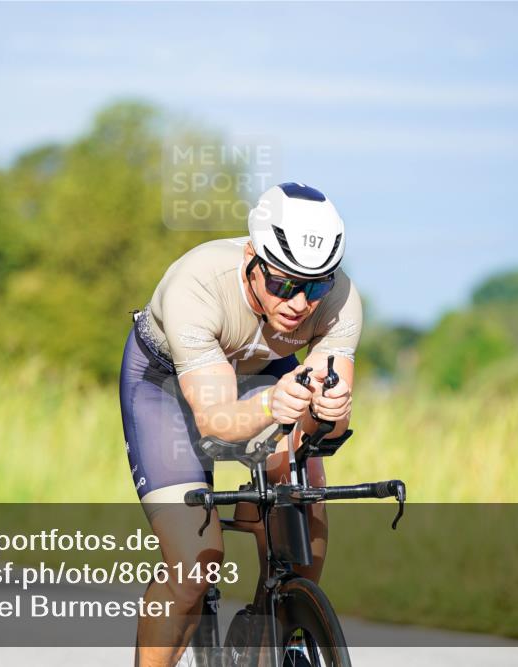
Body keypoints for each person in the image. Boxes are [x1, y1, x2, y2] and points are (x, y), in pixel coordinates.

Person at [119, 182, 363, 666]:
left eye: (314, 286)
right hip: (165, 386)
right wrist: (275, 404)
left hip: (260, 376)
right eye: (282, 283)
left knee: (303, 516)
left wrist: (327, 414)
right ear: (252, 256)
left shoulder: (340, 299)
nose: (299, 303)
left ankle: (265, 633)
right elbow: (215, 423)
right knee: (195, 563)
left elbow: (325, 433)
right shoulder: (199, 283)